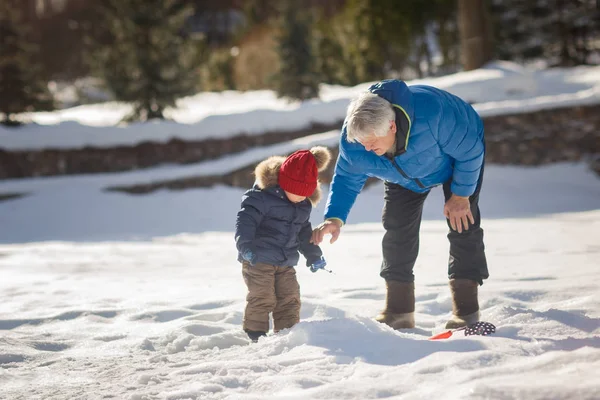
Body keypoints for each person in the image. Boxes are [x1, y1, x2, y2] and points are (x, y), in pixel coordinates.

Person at [311, 79, 489, 330]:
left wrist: (460, 196)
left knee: (462, 224)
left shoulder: (434, 114)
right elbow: (347, 177)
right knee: (396, 228)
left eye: (372, 142)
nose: (368, 148)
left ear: (392, 126)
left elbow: (470, 151)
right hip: (401, 174)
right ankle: (399, 310)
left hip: (454, 163)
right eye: (363, 144)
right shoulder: (357, 140)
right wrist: (335, 217)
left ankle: (467, 309)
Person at [235, 147, 331, 342]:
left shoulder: (303, 205)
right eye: (296, 193)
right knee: (262, 297)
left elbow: (304, 232)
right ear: (284, 184)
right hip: (258, 259)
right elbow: (245, 223)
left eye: (305, 194)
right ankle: (256, 335)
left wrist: (314, 255)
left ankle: (287, 335)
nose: (300, 198)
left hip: (286, 261)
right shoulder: (261, 198)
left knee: (290, 298)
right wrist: (245, 247)